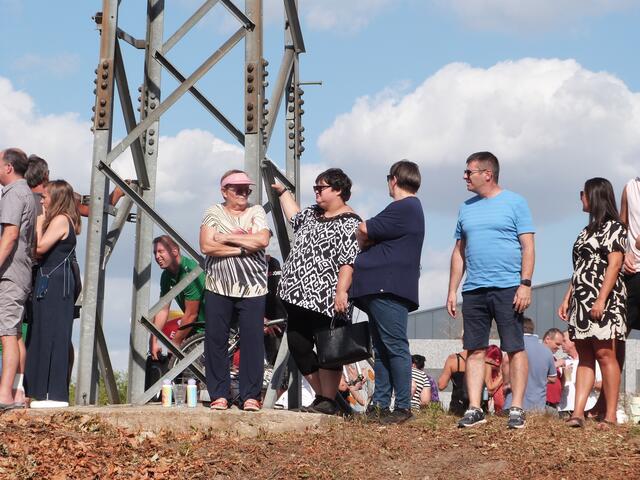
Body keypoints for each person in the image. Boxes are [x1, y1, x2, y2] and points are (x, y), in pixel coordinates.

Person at [447, 152, 535, 429]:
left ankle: (516, 408)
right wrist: (452, 290)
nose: (464, 176)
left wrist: (525, 284)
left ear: (487, 174)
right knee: (474, 349)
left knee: (514, 347)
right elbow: (459, 252)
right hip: (474, 289)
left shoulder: (516, 202)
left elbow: (528, 246)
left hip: (509, 287)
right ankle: (475, 408)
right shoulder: (465, 208)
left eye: (469, 172)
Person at [273, 168, 361, 416]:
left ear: (338, 190)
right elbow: (295, 217)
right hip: (296, 296)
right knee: (298, 344)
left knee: (328, 349)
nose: (316, 192)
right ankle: (325, 397)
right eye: (315, 188)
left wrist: (341, 291)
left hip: (326, 299)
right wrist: (283, 193)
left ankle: (327, 399)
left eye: (321, 188)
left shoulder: (351, 222)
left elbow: (348, 261)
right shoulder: (313, 214)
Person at [351, 160, 425, 424]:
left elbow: (363, 229)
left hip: (387, 286)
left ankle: (402, 406)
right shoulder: (407, 209)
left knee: (393, 346)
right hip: (382, 287)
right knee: (382, 348)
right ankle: (381, 404)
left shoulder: (403, 206)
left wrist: (366, 242)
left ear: (394, 179)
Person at [199, 170, 271, 412]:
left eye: (246, 189)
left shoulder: (256, 211)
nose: (243, 193)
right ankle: (219, 394)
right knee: (216, 340)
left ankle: (250, 395)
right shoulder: (213, 212)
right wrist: (242, 246)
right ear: (224, 191)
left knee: (253, 341)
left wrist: (224, 237)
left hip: (253, 287)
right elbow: (207, 245)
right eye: (237, 188)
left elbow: (262, 241)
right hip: (219, 285)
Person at [558, 177, 627, 428]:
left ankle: (610, 415)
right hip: (581, 300)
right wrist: (567, 297)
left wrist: (600, 299)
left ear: (595, 195)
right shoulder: (585, 231)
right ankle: (578, 413)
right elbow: (579, 268)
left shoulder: (615, 228)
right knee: (585, 355)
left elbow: (615, 264)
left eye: (583, 193)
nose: (581, 197)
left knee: (605, 354)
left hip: (605, 299)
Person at [24, 180, 81, 408]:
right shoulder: (61, 219)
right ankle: (42, 392)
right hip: (50, 281)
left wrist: (39, 224)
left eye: (45, 197)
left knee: (53, 334)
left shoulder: (60, 220)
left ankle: (53, 393)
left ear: (56, 198)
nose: (42, 201)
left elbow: (39, 249)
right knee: (43, 332)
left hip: (55, 284)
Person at [0, 148, 36, 410]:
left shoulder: (13, 194)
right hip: (22, 271)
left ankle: (4, 394)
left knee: (7, 334)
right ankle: (17, 392)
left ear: (8, 167)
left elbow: (10, 235)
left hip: (10, 273)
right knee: (15, 334)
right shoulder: (28, 193)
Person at [149, 235, 206, 360]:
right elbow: (163, 309)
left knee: (183, 365)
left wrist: (174, 344)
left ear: (175, 251)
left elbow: (191, 315)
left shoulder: (190, 271)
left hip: (211, 329)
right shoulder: (166, 276)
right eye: (155, 253)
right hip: (194, 330)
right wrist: (153, 341)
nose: (157, 256)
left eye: (161, 251)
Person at [504, 318, 556, 412]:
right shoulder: (547, 351)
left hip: (512, 405)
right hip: (536, 407)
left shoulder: (515, 346)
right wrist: (538, 379)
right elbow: (553, 378)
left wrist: (507, 383)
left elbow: (506, 362)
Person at [558, 330, 602, 420]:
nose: (561, 344)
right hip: (565, 408)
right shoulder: (562, 362)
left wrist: (588, 385)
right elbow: (557, 387)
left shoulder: (592, 362)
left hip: (588, 408)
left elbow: (602, 385)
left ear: (573, 342)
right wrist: (564, 376)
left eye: (564, 341)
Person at [437, 348, 468, 416]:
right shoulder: (484, 359)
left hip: (457, 408)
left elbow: (441, 385)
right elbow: (490, 388)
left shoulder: (453, 359)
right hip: (479, 408)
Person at [542, 328, 565, 411]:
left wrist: (564, 372)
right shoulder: (538, 354)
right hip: (543, 403)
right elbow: (535, 372)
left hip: (554, 404)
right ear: (547, 339)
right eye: (557, 344)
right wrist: (555, 365)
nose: (559, 347)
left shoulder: (553, 358)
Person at [484, 345, 505, 413]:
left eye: (499, 357)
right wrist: (503, 375)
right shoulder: (486, 365)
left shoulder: (503, 367)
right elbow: (489, 389)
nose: (497, 360)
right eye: (494, 357)